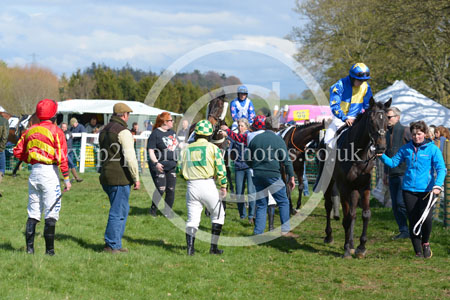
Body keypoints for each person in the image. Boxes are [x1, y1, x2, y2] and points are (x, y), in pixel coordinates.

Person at [378, 121, 446, 258]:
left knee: (426, 219)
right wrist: (381, 156)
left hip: (427, 191)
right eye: (414, 134)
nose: (416, 137)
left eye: (419, 134)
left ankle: (425, 242)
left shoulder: (433, 149)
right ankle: (418, 252)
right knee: (414, 220)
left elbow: (441, 169)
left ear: (425, 134)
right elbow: (393, 163)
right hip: (408, 190)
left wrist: (437, 185)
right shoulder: (406, 149)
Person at [13, 99, 71, 255]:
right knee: (51, 213)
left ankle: (30, 250)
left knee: (33, 213)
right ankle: (49, 252)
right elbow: (62, 157)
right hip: (49, 174)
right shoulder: (56, 131)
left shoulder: (29, 130)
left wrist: (31, 158)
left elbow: (17, 151)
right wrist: (66, 178)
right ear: (53, 114)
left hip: (34, 173)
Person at [179, 120, 227, 255]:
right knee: (218, 215)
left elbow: (179, 169)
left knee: (192, 219)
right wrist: (223, 186)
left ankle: (190, 249)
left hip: (191, 186)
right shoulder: (213, 148)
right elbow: (221, 169)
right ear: (209, 134)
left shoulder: (186, 148)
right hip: (208, 184)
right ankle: (213, 248)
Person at [245, 116, 299, 237]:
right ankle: (285, 230)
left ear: (265, 125)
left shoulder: (256, 138)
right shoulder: (278, 140)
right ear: (277, 127)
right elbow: (286, 161)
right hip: (273, 175)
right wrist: (291, 177)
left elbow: (246, 157)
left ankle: (258, 233)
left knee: (262, 204)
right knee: (283, 201)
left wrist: (254, 166)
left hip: (257, 175)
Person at [99, 103, 140, 254]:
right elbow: (130, 158)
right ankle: (111, 244)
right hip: (120, 177)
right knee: (118, 211)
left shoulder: (104, 130)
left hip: (105, 175)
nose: (128, 117)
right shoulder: (123, 132)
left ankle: (115, 243)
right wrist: (136, 177)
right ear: (124, 115)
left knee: (120, 209)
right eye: (128, 114)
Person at [323, 63, 373, 147]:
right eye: (359, 80)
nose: (362, 83)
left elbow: (368, 105)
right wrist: (345, 118)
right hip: (340, 119)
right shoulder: (339, 86)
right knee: (328, 141)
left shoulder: (366, 87)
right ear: (352, 77)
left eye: (364, 80)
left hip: (358, 118)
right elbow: (335, 106)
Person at [384, 107, 411, 240]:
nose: (388, 120)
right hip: (392, 173)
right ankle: (404, 230)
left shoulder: (406, 130)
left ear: (398, 117)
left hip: (404, 173)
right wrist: (385, 173)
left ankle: (413, 229)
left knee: (401, 203)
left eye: (390, 117)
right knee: (395, 205)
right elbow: (386, 154)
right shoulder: (386, 133)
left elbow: (415, 147)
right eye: (387, 117)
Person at [147, 112, 178, 218]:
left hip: (171, 164)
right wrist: (156, 163)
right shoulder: (155, 134)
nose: (172, 122)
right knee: (161, 188)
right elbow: (151, 151)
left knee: (171, 189)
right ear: (165, 122)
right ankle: (153, 209)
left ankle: (167, 212)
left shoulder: (173, 132)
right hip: (159, 165)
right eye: (171, 120)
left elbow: (176, 146)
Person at [230, 118, 256, 223]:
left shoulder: (250, 136)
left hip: (249, 167)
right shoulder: (235, 138)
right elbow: (231, 151)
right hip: (238, 167)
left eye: (242, 126)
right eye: (239, 126)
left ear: (246, 126)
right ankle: (242, 215)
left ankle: (251, 216)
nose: (240, 128)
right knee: (239, 193)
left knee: (251, 191)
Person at [0, 114, 8, 183]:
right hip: (0, 149)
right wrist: (1, 147)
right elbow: (5, 136)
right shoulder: (4, 121)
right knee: (1, 169)